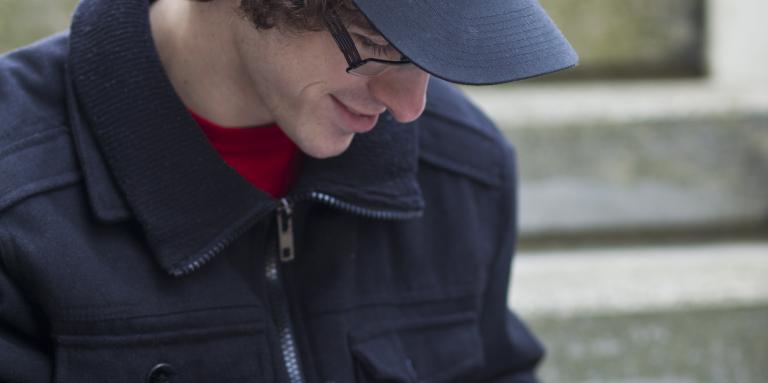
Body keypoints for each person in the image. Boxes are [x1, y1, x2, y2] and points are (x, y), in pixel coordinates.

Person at [0, 0, 576, 381]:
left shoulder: (464, 166)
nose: (409, 105)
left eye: (436, 51)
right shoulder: (17, 197)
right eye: (376, 39)